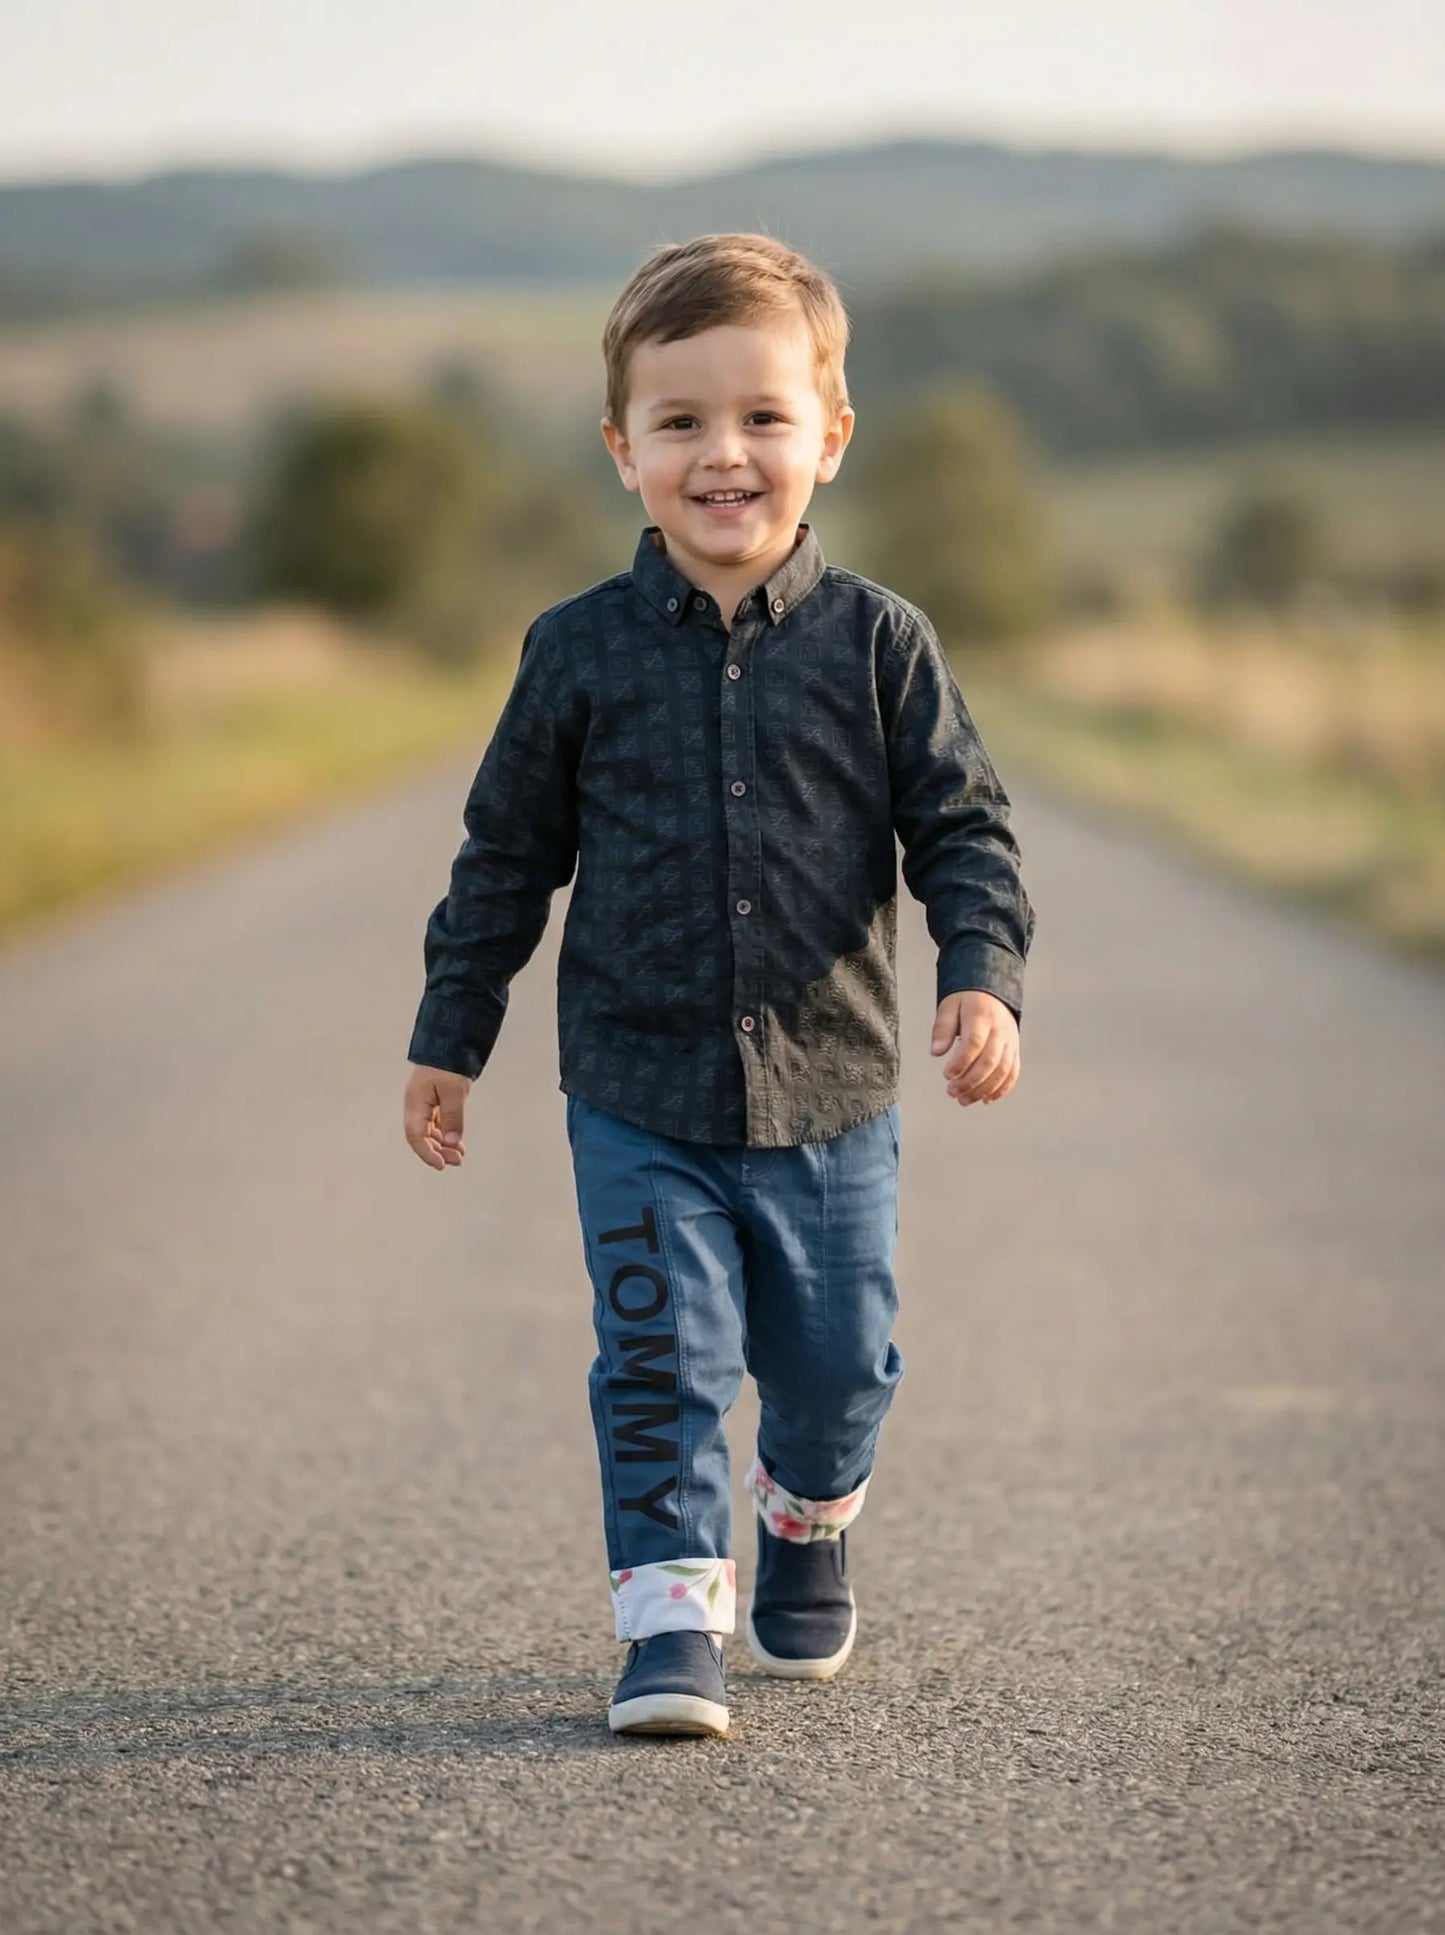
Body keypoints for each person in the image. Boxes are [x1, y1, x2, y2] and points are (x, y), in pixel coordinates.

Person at [402, 231, 1036, 1740]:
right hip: (635, 1088)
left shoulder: (880, 644)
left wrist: (982, 975)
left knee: (835, 1371)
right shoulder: (574, 655)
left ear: (830, 433)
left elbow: (964, 829)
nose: (724, 455)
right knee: (656, 1358)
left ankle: (806, 1519)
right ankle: (670, 1624)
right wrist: (451, 1037)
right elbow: (504, 860)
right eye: (679, 423)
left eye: (761, 416)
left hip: (832, 1091)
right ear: (621, 450)